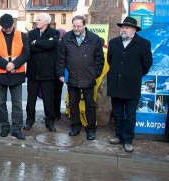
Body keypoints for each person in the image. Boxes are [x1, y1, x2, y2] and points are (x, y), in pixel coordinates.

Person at [107, 17, 152, 152]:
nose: (123, 29)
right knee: (118, 113)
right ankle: (118, 135)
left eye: (126, 27)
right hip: (116, 84)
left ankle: (128, 140)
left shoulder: (143, 44)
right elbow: (110, 60)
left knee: (130, 114)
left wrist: (135, 75)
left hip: (132, 85)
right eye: (122, 27)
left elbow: (147, 64)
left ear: (134, 30)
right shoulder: (114, 42)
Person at [56, 15, 104, 140]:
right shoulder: (67, 37)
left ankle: (91, 129)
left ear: (84, 25)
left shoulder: (94, 38)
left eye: (79, 26)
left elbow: (99, 59)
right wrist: (61, 74)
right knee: (73, 104)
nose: (76, 29)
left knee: (90, 104)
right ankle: (75, 127)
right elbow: (61, 58)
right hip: (72, 77)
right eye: (74, 26)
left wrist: (95, 73)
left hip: (88, 77)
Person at [0, 13, 29, 140]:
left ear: (13, 24)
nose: (6, 29)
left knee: (17, 103)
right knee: (0, 103)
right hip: (0, 74)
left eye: (8, 27)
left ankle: (17, 129)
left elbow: (26, 54)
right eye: (4, 27)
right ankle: (5, 127)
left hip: (16, 75)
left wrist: (14, 65)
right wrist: (7, 65)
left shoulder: (22, 35)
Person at [24, 13, 60, 132]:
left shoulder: (54, 33)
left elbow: (52, 45)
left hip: (48, 73)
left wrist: (37, 42)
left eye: (39, 20)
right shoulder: (32, 33)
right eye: (36, 19)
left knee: (48, 99)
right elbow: (29, 48)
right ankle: (29, 120)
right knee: (31, 99)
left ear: (46, 22)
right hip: (33, 72)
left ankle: (50, 122)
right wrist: (44, 44)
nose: (36, 21)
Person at [53, 29, 66, 120]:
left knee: (51, 95)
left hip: (52, 73)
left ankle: (53, 113)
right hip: (60, 73)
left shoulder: (54, 44)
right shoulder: (65, 45)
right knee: (58, 94)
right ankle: (57, 113)